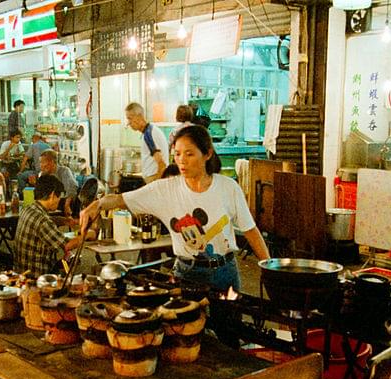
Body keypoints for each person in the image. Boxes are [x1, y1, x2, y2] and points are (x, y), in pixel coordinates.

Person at [80, 125, 269, 349]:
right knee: (181, 338)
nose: (181, 160)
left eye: (189, 154)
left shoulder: (228, 188)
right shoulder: (165, 189)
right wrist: (96, 205)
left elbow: (250, 231)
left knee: (228, 339)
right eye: (177, 154)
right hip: (186, 275)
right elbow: (120, 200)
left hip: (224, 274)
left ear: (207, 154)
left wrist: (270, 270)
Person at [14, 175, 93, 276]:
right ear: (52, 195)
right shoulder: (43, 221)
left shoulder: (29, 209)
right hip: (36, 277)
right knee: (74, 263)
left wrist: (65, 221)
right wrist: (88, 234)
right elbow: (67, 245)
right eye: (59, 196)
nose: (59, 200)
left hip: (21, 271)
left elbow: (44, 222)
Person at [125, 102, 168, 184]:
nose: (128, 123)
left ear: (139, 117)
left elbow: (162, 164)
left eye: (130, 118)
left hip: (154, 180)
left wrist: (156, 185)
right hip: (151, 179)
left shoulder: (149, 134)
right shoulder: (148, 132)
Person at [38, 149, 78, 217]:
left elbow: (72, 188)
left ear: (52, 162)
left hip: (63, 203)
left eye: (43, 162)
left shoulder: (64, 171)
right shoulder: (42, 174)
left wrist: (67, 205)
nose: (41, 165)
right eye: (40, 162)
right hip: (48, 203)